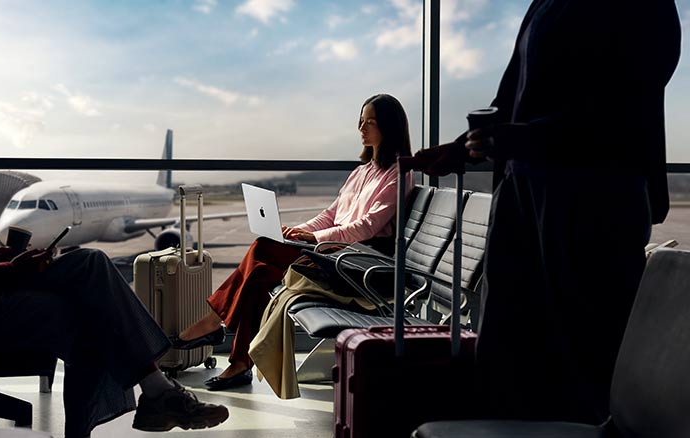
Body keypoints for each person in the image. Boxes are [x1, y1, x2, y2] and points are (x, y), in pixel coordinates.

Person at [0, 60, 229, 438]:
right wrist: (8, 271)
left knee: (88, 278)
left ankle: (155, 394)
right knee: (89, 294)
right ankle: (155, 392)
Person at [414, 0, 681, 424]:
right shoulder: (545, 4)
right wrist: (463, 147)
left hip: (592, 199)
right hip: (523, 194)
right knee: (508, 350)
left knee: (584, 359)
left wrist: (519, 139)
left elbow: (624, 107)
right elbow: (511, 98)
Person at [172, 93, 415, 390]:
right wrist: (297, 232)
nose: (362, 129)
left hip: (355, 261)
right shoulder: (361, 172)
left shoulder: (399, 174)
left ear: (389, 128)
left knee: (262, 248)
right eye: (360, 121)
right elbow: (332, 214)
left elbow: (367, 227)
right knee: (260, 271)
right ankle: (237, 362)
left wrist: (314, 238)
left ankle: (214, 324)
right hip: (332, 250)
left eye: (371, 122)